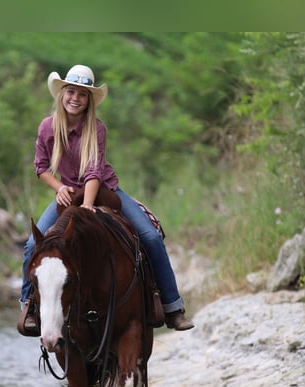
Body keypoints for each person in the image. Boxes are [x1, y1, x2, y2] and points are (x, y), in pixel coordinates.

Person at [18, 64, 194, 334]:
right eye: (71, 92)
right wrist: (59, 187)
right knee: (33, 244)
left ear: (89, 100)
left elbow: (93, 171)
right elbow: (41, 166)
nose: (75, 98)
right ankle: (29, 306)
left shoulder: (96, 128)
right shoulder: (47, 127)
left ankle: (172, 305)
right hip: (67, 196)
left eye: (83, 94)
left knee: (150, 237)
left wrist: (88, 206)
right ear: (62, 93)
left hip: (102, 189)